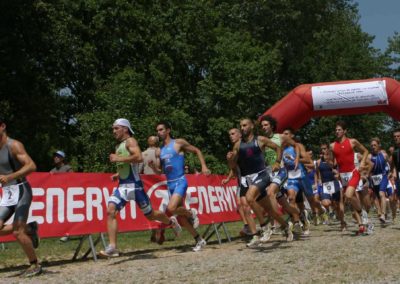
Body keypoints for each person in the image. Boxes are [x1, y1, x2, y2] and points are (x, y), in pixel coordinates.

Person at [99, 118, 181, 257]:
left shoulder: (131, 141)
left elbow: (138, 157)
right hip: (123, 187)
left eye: (116, 128)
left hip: (136, 188)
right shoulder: (119, 146)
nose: (113, 131)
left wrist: (118, 159)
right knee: (110, 211)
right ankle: (112, 247)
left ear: (125, 129)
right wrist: (118, 174)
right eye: (113, 129)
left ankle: (171, 222)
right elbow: (130, 165)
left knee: (151, 215)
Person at [227, 118, 294, 247]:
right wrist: (229, 159)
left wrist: (277, 162)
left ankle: (264, 227)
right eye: (241, 126)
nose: (242, 128)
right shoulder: (237, 145)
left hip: (262, 174)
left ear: (251, 126)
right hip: (246, 179)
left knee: (250, 198)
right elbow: (233, 165)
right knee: (269, 210)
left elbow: (277, 148)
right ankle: (285, 226)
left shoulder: (260, 140)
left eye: (245, 125)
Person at [155, 121, 210, 252]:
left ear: (168, 130)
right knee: (180, 217)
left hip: (180, 181)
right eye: (157, 130)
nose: (159, 132)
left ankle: (191, 213)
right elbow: (159, 171)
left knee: (171, 208)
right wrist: (153, 167)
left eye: (161, 129)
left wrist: (203, 166)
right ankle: (199, 239)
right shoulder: (159, 151)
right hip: (170, 184)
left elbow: (196, 150)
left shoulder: (178, 143)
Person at [0, 116, 41, 276]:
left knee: (18, 232)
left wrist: (10, 177)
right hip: (8, 193)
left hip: (22, 190)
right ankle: (30, 227)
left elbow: (32, 166)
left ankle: (35, 264)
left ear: (2, 126)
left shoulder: (14, 145)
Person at [330, 121, 369, 235]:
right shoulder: (332, 146)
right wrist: (335, 170)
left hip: (353, 173)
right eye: (336, 130)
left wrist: (361, 163)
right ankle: (361, 225)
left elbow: (366, 151)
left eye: (339, 130)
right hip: (343, 176)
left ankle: (362, 213)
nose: (337, 132)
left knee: (348, 195)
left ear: (345, 131)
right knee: (352, 199)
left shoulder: (352, 142)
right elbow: (334, 162)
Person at [221, 128, 252, 237]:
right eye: (230, 134)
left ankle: (271, 222)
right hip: (241, 180)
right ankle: (247, 226)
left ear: (239, 135)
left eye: (233, 134)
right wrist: (228, 178)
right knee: (239, 204)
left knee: (257, 203)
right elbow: (234, 167)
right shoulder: (234, 149)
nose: (231, 136)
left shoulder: (245, 145)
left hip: (252, 178)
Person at [50, 150, 74, 242]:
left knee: (67, 215)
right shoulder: (52, 171)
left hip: (67, 196)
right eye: (55, 156)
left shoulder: (68, 168)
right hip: (57, 197)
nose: (55, 158)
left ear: (62, 158)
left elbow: (74, 180)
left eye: (58, 156)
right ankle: (60, 232)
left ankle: (67, 233)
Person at [368, 138, 391, 223]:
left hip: (383, 176)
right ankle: (380, 212)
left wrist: (391, 172)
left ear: (379, 146)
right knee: (375, 197)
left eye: (375, 145)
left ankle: (383, 214)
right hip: (374, 178)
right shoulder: (369, 156)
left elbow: (391, 163)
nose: (373, 147)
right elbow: (367, 168)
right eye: (372, 145)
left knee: (382, 193)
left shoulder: (384, 154)